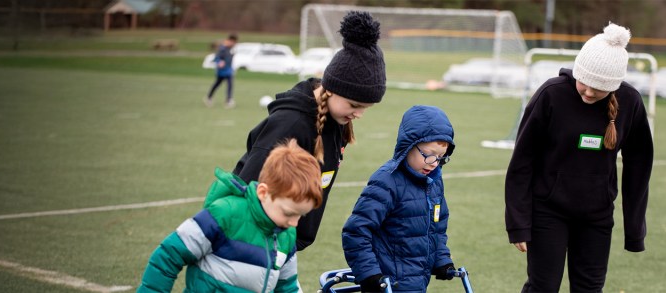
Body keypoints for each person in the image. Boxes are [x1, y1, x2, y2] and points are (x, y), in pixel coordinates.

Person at [504, 22, 654, 292]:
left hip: (597, 215)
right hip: (547, 212)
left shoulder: (630, 102)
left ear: (614, 85)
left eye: (598, 88)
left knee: (589, 288)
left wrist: (634, 229)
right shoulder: (551, 95)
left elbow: (639, 164)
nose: (588, 92)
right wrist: (518, 223)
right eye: (584, 83)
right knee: (543, 286)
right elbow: (522, 163)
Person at [232, 11, 386, 251]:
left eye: (366, 108)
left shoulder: (336, 121)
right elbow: (247, 188)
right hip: (252, 241)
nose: (359, 114)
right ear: (332, 89)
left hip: (284, 242)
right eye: (355, 105)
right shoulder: (290, 125)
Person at [137, 139, 323, 293]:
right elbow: (169, 255)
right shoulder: (224, 214)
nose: (294, 222)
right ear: (263, 193)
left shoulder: (287, 235)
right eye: (289, 213)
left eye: (301, 215)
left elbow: (287, 287)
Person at [341, 105, 458, 292]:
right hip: (387, 282)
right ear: (409, 145)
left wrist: (442, 259)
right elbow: (356, 230)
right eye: (428, 155)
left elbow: (437, 226)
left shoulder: (433, 181)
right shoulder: (386, 181)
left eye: (441, 157)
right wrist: (369, 273)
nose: (434, 163)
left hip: (417, 280)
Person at [206, 33, 238, 108]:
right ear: (230, 41)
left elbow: (230, 60)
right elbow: (216, 58)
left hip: (228, 71)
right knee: (217, 84)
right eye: (234, 42)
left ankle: (229, 100)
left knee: (230, 84)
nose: (234, 44)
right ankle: (209, 97)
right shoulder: (222, 48)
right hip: (222, 71)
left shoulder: (231, 49)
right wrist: (219, 62)